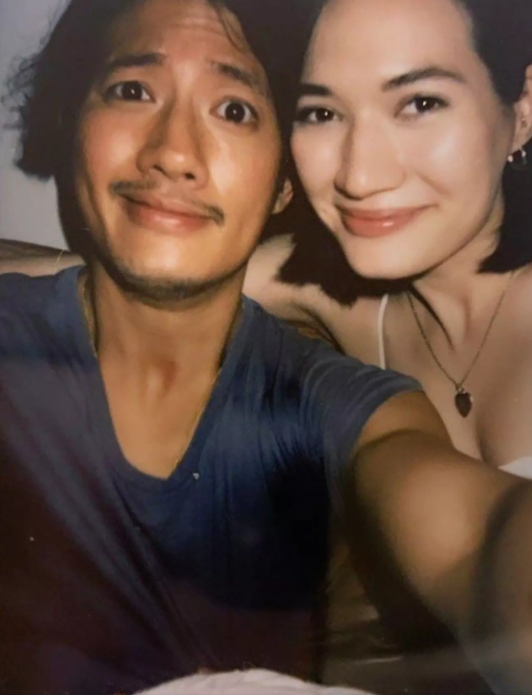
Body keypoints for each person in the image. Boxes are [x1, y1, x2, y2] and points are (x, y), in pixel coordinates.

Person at [4, 2, 532, 695]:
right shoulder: (326, 289)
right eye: (322, 112)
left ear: (523, 109)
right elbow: (156, 256)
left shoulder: (326, 394)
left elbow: (484, 538)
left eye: (421, 102)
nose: (361, 174)